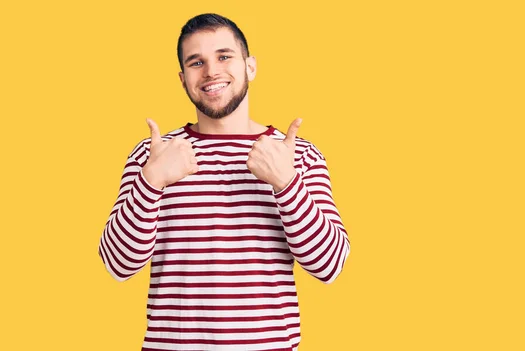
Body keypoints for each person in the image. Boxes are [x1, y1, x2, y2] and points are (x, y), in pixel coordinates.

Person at [98, 13, 350, 351]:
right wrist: (152, 180)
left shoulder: (298, 155)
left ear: (251, 66)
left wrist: (286, 183)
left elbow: (330, 266)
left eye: (224, 56)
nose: (211, 71)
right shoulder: (154, 155)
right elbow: (118, 265)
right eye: (196, 62)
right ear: (183, 78)